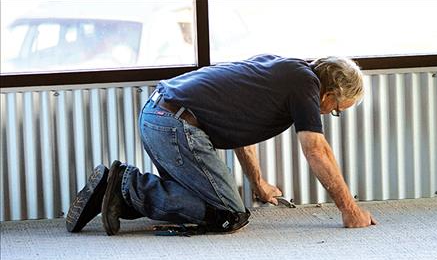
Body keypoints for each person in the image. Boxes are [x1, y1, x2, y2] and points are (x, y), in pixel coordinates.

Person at [66, 54, 376, 236]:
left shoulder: (280, 70)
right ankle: (125, 185)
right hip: (175, 125)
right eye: (337, 109)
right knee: (228, 213)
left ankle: (114, 194)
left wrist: (258, 184)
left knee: (198, 202)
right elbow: (316, 149)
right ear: (330, 95)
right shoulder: (306, 86)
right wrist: (349, 210)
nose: (330, 113)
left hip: (158, 115)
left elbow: (243, 133)